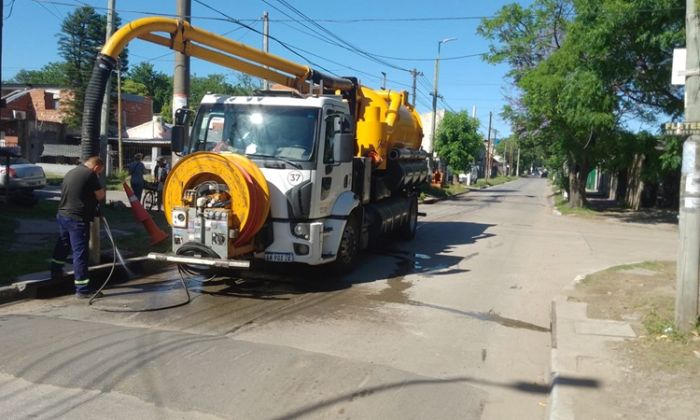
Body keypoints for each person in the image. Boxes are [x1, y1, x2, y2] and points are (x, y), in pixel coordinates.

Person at [50, 156, 106, 298]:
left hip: (63, 215)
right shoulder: (90, 174)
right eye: (100, 172)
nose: (99, 174)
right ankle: (82, 288)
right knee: (80, 252)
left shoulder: (72, 172)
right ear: (96, 167)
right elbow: (100, 195)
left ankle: (55, 271)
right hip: (77, 219)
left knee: (63, 244)